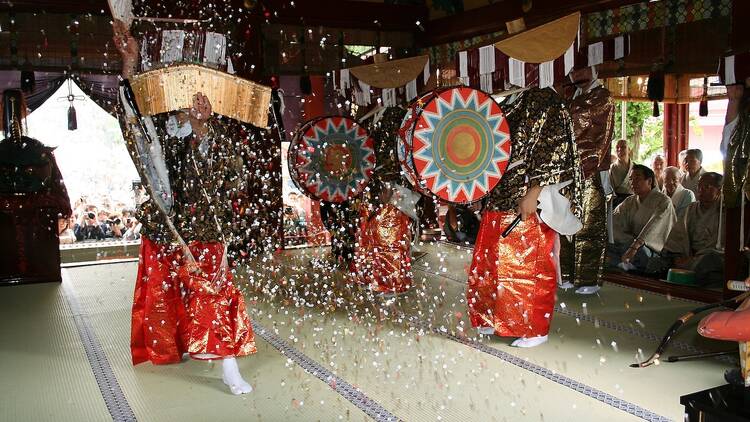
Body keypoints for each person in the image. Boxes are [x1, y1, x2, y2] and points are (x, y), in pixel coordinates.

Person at [113, 19, 256, 395]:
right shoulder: (157, 125)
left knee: (215, 293)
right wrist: (129, 65)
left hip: (206, 228)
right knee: (165, 301)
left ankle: (227, 362)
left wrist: (203, 130)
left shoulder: (219, 128)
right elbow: (130, 122)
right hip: (166, 226)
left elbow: (231, 177)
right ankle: (182, 346)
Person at [467, 87, 582, 348]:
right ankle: (493, 316)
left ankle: (534, 327)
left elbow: (553, 147)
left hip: (525, 197)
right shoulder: (501, 103)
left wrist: (535, 191)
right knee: (489, 264)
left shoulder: (544, 98)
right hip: (497, 196)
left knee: (526, 266)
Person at [559, 65, 615, 295]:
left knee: (588, 224)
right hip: (569, 171)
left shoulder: (602, 97)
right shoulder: (575, 96)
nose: (577, 75)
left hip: (590, 170)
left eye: (582, 70)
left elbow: (575, 117)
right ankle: (568, 275)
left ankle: (588, 279)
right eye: (573, 71)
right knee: (565, 223)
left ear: (595, 69)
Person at [648, 173, 724, 285]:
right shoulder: (691, 208)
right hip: (685, 253)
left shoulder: (724, 211)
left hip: (708, 256)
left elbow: (720, 245)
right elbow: (677, 235)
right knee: (655, 263)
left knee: (705, 263)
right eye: (699, 186)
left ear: (719, 190)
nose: (701, 190)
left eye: (707, 187)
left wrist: (693, 259)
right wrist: (677, 255)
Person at [609, 164, 676, 272]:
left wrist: (635, 246)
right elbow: (614, 222)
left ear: (649, 181)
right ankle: (626, 265)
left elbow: (654, 225)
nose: (632, 183)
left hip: (650, 250)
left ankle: (625, 265)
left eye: (637, 179)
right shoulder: (629, 201)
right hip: (628, 245)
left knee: (641, 253)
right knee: (605, 247)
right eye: (631, 179)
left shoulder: (663, 201)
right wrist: (628, 242)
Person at [354, 183, 413, 297]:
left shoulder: (393, 210)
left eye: (384, 191)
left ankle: (391, 286)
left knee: (386, 254)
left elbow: (386, 235)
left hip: (390, 250)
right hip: (381, 248)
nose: (381, 194)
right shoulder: (385, 208)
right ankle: (384, 283)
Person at [609, 139, 634, 208]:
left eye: (623, 147)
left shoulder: (635, 167)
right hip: (617, 203)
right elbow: (609, 189)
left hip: (634, 202)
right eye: (617, 147)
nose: (620, 149)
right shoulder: (611, 168)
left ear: (629, 150)